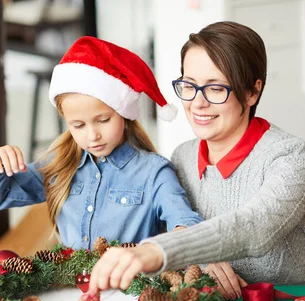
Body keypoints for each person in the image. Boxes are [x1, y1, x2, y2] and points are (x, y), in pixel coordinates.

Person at [88, 21, 305, 298]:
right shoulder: (182, 157)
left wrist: (160, 250)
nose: (197, 103)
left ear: (252, 92)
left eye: (216, 89)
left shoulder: (292, 158)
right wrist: (203, 259)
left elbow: (254, 228)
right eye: (189, 85)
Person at [0, 36, 203, 250]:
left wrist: (176, 239)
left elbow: (185, 222)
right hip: (70, 284)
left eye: (103, 120)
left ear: (124, 114)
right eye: (78, 125)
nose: (92, 135)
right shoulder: (59, 164)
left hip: (131, 283)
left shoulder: (154, 173)